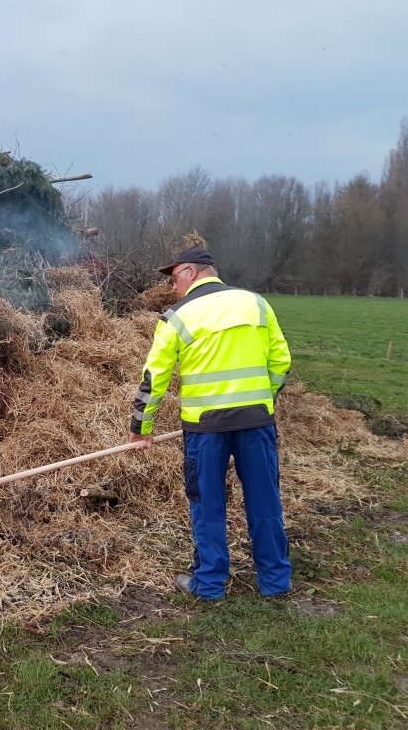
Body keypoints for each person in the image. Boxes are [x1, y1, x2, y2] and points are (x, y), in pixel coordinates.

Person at [129, 247, 293, 600]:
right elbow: (281, 361)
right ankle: (276, 581)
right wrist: (262, 398)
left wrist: (141, 428)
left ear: (192, 272)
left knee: (207, 504)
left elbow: (154, 378)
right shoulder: (257, 304)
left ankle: (209, 583)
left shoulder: (178, 316)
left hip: (205, 430)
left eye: (174, 279)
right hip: (256, 422)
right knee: (265, 500)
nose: (173, 288)